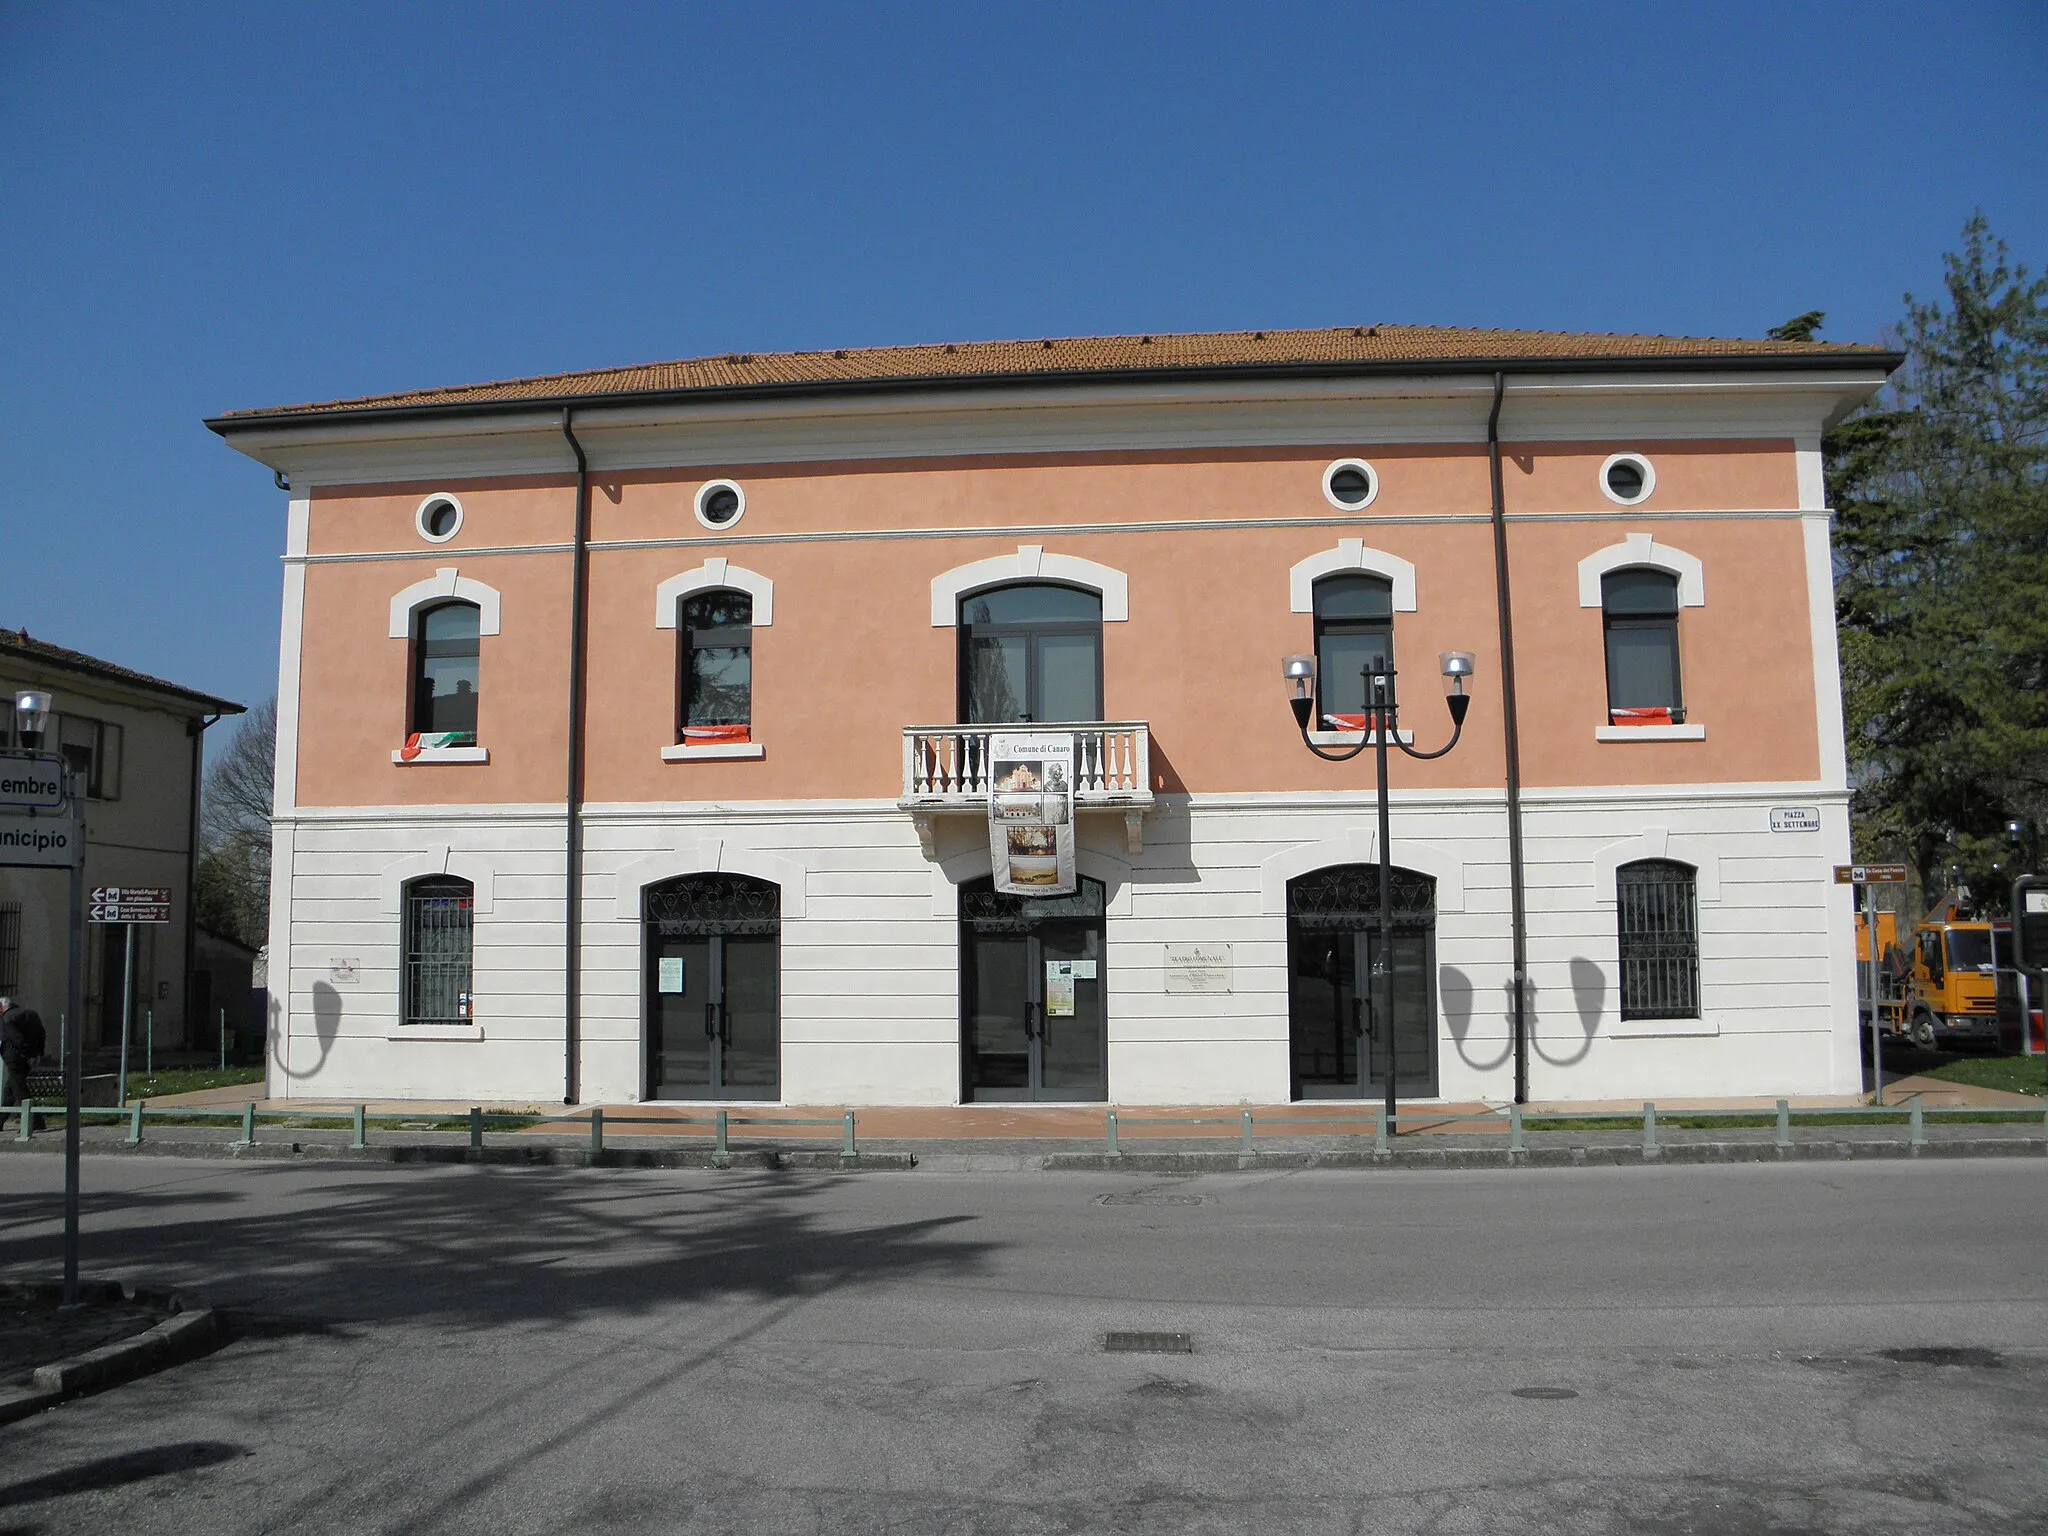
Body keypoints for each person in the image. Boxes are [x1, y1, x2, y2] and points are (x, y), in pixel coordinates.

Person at [0, 994, 46, 1109]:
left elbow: (15, 1038)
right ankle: (1, 1120)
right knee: (10, 1089)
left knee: (20, 1090)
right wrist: (37, 1054)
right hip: (29, 1057)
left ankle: (36, 1122)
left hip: (15, 1057)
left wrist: (25, 1054)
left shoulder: (6, 1018)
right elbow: (42, 1034)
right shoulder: (32, 1014)